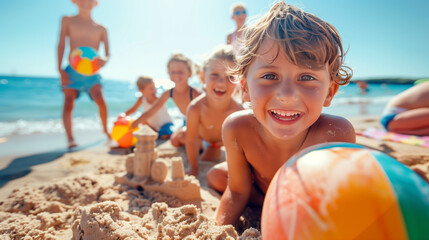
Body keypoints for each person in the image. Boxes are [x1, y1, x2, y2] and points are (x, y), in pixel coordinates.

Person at [213, 2, 356, 226]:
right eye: (270, 76)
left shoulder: (335, 134)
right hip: (257, 192)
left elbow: (336, 200)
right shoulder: (237, 128)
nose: (287, 95)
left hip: (302, 199)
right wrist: (218, 231)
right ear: (245, 89)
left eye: (307, 77)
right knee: (215, 176)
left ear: (329, 92)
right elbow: (238, 191)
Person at [57, 0, 110, 148]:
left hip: (92, 72)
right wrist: (59, 69)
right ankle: (70, 139)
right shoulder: (67, 20)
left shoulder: (101, 28)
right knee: (68, 104)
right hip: (72, 71)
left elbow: (107, 53)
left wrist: (104, 60)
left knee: (100, 100)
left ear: (95, 3)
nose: (85, 2)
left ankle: (106, 131)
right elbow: (61, 44)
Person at [185, 45, 244, 176]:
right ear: (202, 77)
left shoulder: (238, 111)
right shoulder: (196, 108)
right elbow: (192, 140)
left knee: (212, 153)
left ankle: (212, 150)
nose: (221, 83)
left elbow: (241, 147)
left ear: (238, 80)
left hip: (220, 143)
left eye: (230, 77)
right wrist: (194, 168)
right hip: (202, 139)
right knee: (179, 138)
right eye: (214, 75)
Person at [131, 53, 202, 147]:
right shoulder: (169, 93)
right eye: (173, 72)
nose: (176, 74)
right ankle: (197, 143)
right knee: (174, 141)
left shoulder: (194, 92)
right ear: (168, 72)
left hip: (201, 123)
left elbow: (207, 111)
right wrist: (135, 122)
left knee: (182, 137)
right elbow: (152, 111)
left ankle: (204, 144)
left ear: (189, 73)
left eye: (180, 71)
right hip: (187, 121)